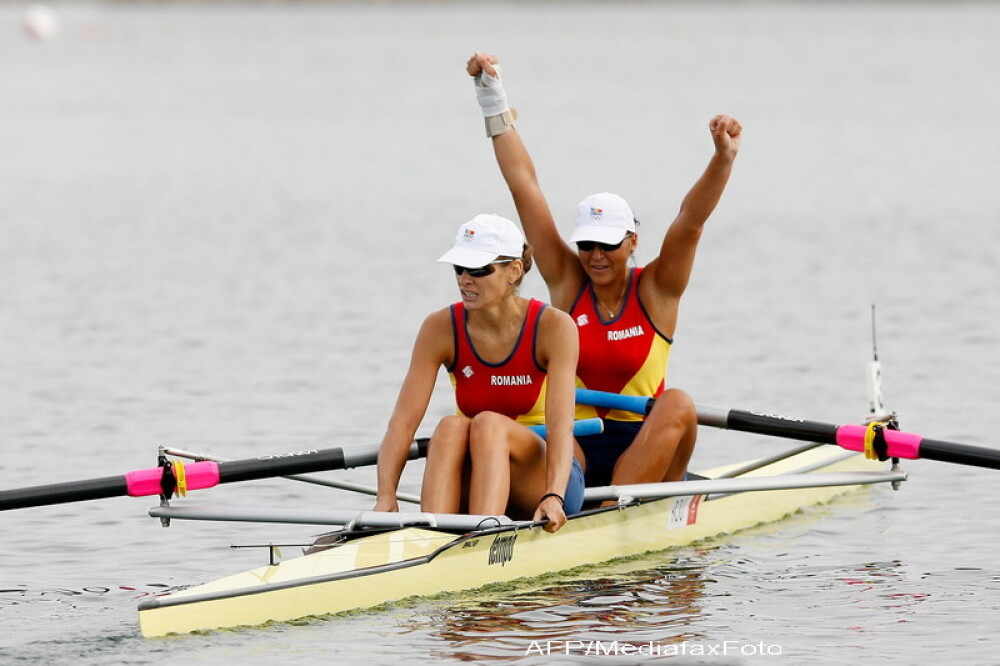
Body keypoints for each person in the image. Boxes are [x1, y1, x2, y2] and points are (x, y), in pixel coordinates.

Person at [466, 52, 742, 494]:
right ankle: (576, 511)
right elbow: (524, 186)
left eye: (607, 245)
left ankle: (612, 515)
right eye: (587, 243)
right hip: (575, 445)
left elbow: (689, 223)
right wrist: (490, 95)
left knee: (679, 404)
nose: (595, 255)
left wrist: (722, 160)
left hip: (646, 445)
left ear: (632, 242)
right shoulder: (567, 280)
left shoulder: (657, 289)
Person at [374, 213, 584, 532]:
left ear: (514, 270)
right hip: (481, 466)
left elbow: (560, 427)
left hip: (547, 476)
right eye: (459, 268)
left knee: (487, 423)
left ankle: (482, 537)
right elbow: (402, 422)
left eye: (478, 270)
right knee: (449, 427)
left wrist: (554, 495)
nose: (464, 280)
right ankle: (431, 537)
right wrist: (386, 496)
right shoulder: (439, 327)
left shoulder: (554, 327)